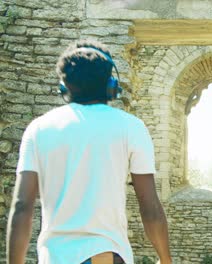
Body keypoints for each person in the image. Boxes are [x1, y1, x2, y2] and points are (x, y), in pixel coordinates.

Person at [6, 40, 172, 264]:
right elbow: (149, 205)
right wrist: (165, 259)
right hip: (104, 256)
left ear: (64, 85)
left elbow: (22, 206)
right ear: (111, 84)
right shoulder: (130, 127)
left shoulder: (39, 129)